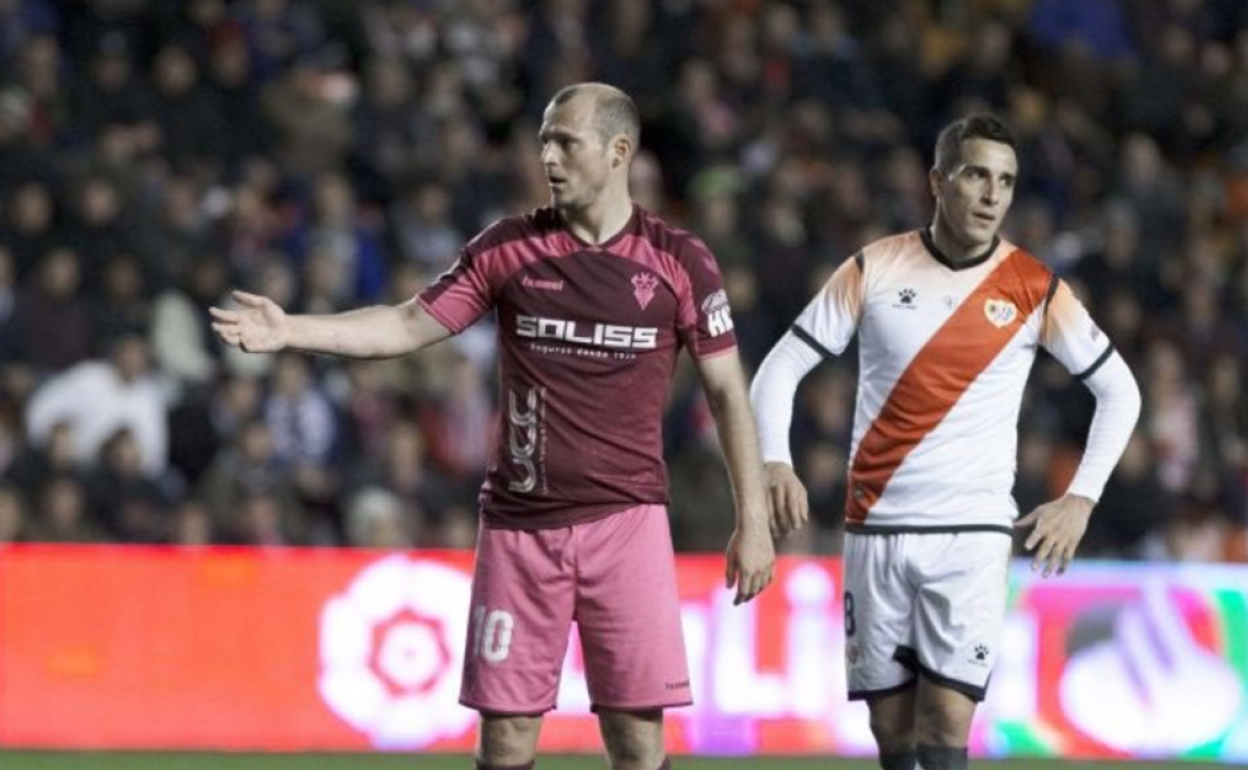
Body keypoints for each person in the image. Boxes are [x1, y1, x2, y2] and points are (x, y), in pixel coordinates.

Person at [211, 82, 775, 770]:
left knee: (636, 734)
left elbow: (726, 392)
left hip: (627, 524)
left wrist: (754, 520)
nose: (548, 156)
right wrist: (291, 328)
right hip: (519, 525)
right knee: (505, 736)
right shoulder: (509, 248)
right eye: (544, 140)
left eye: (565, 140)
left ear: (618, 150)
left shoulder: (680, 261)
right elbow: (407, 322)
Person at [749, 114, 1141, 770]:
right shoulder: (874, 267)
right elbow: (778, 369)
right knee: (893, 732)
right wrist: (775, 461)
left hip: (972, 532)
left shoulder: (1033, 288)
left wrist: (1081, 499)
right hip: (875, 525)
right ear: (937, 181)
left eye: (1007, 181)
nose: (993, 195)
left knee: (947, 723)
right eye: (977, 175)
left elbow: (1121, 391)